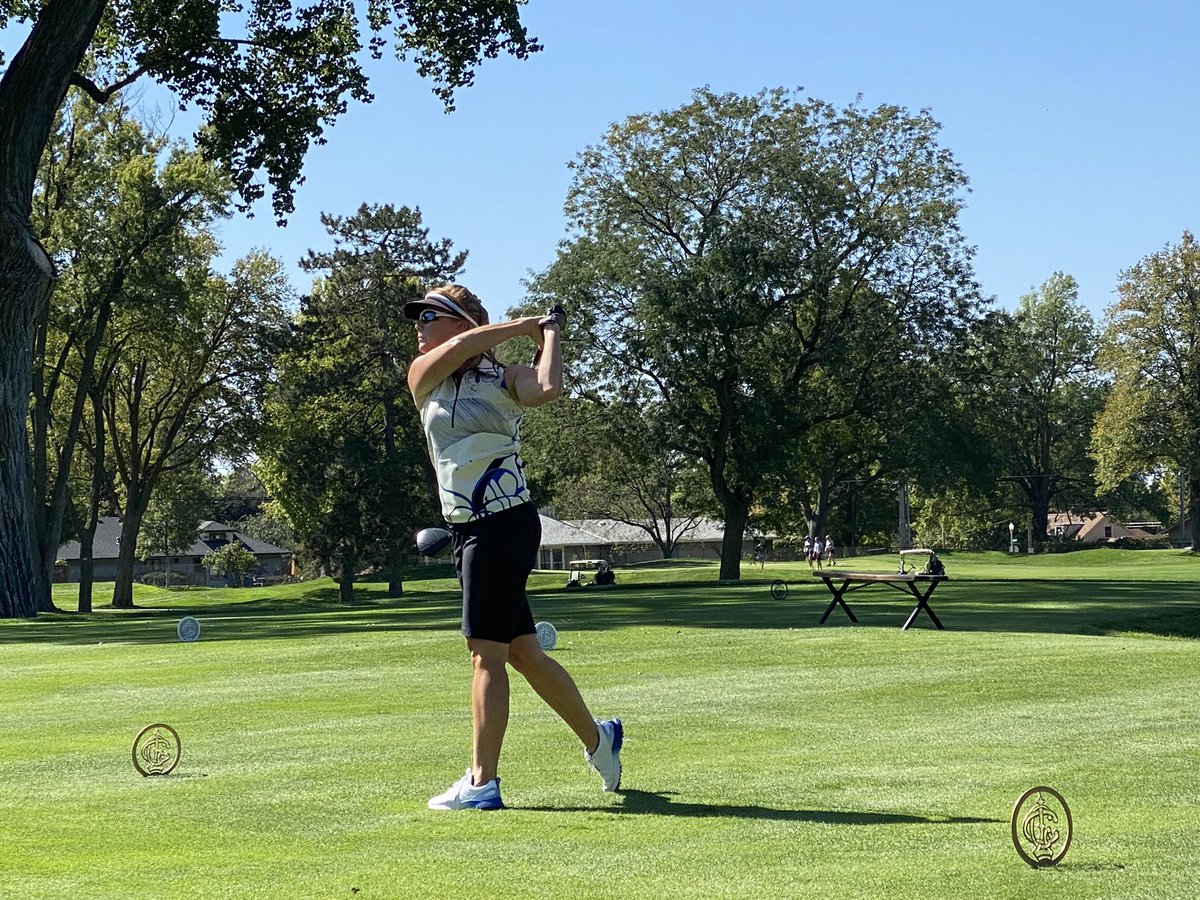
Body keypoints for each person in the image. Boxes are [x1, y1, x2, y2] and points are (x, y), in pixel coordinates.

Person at [406, 285, 622, 811]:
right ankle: (600, 739)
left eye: (429, 316)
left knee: (485, 654)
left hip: (502, 522)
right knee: (523, 652)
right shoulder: (425, 376)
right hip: (468, 527)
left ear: (460, 322)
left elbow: (547, 387)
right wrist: (524, 323)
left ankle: (482, 784)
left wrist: (549, 334)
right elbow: (458, 351)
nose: (418, 326)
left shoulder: (503, 379)